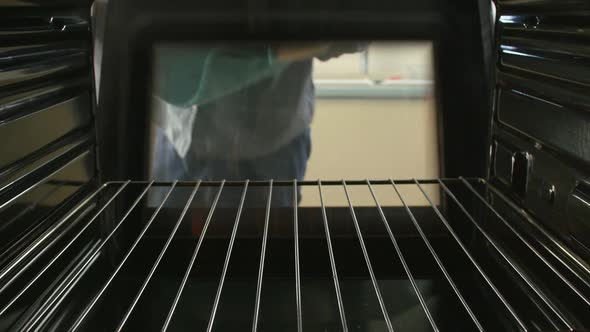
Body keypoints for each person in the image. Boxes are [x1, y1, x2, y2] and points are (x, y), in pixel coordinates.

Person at [150, 43, 365, 208]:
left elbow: (359, 25)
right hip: (176, 135)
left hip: (267, 147)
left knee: (259, 258)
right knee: (163, 252)